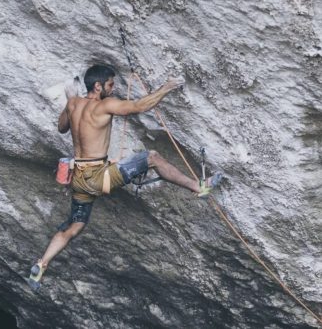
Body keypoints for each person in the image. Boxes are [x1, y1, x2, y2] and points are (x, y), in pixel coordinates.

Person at [28, 64, 222, 290]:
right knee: (152, 157)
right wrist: (167, 87)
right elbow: (139, 106)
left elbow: (62, 128)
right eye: (110, 85)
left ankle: (42, 264)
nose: (113, 89)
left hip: (78, 180)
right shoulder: (104, 105)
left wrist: (70, 99)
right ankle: (197, 186)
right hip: (98, 178)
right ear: (98, 85)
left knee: (74, 226)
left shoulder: (73, 103)